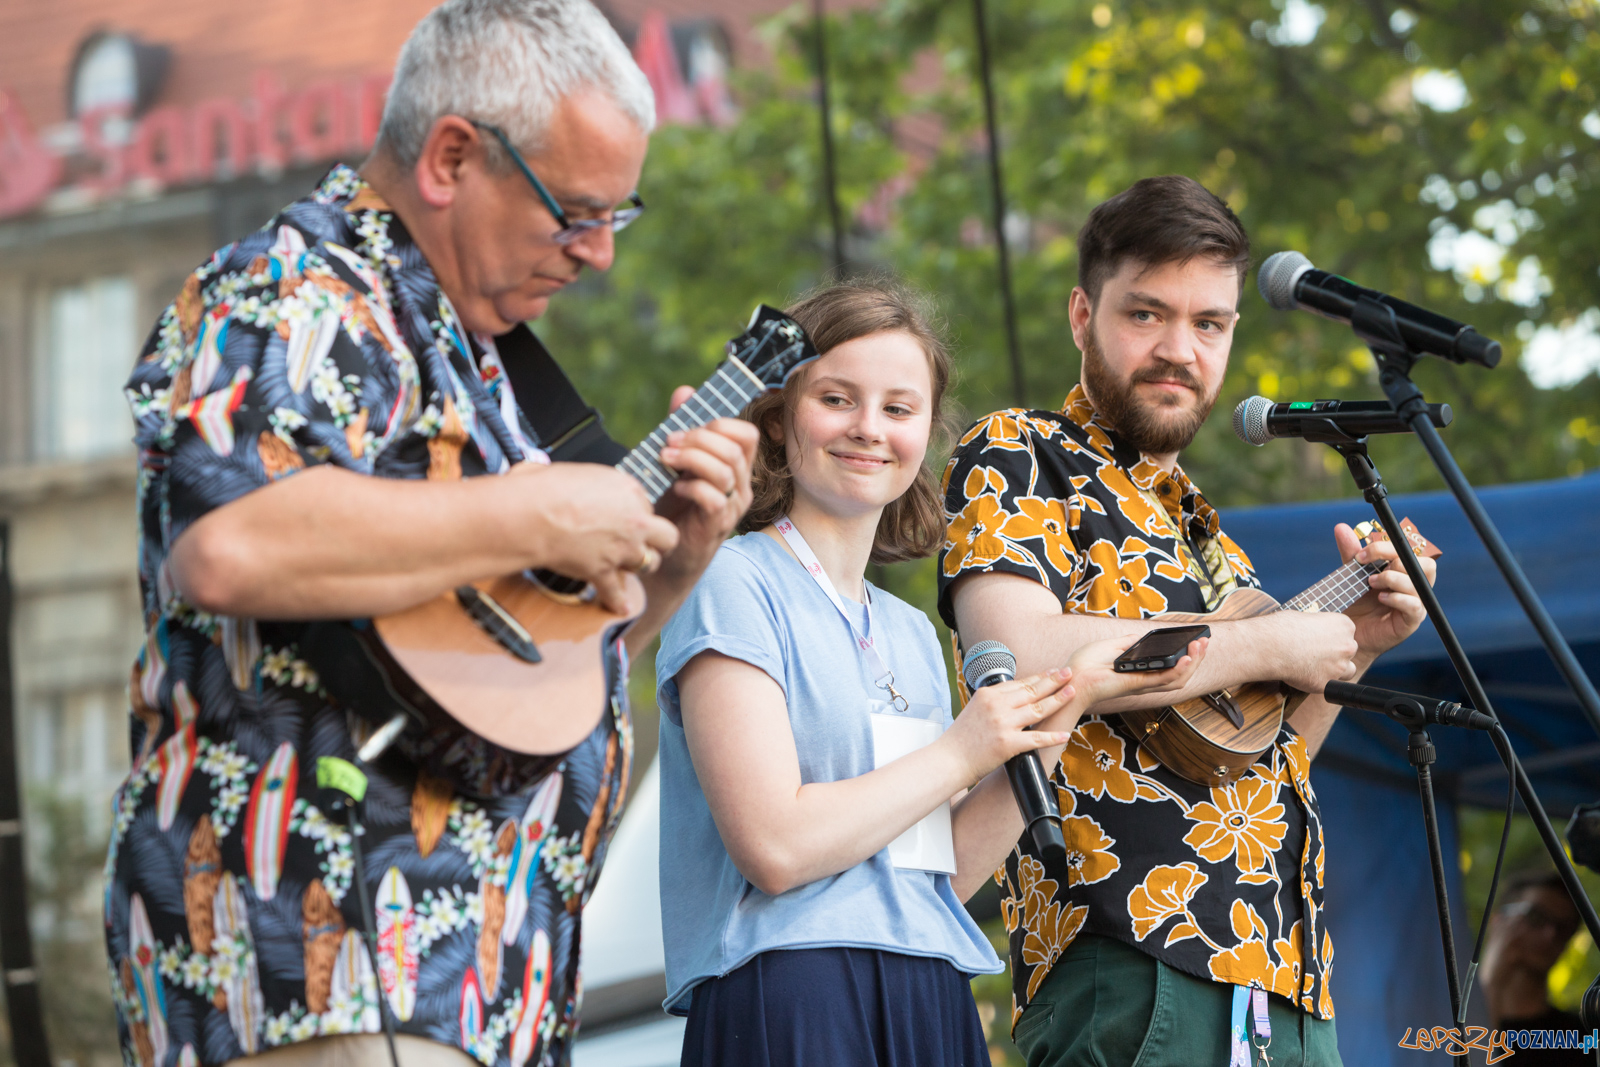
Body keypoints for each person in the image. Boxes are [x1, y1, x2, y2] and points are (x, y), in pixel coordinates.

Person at [105, 2, 758, 1065]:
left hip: (475, 986)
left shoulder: (477, 355)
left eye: (616, 216)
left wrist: (672, 566)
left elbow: (502, 678)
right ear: (452, 157)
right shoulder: (294, 289)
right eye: (574, 213)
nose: (598, 254)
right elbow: (228, 542)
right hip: (324, 963)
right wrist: (540, 510)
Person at [938, 175, 1440, 1066]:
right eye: (1147, 314)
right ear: (1082, 315)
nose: (1179, 349)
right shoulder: (1020, 452)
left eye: (1208, 323)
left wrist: (1356, 646)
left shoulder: (1215, 544)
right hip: (1129, 962)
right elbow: (1017, 653)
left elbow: (1262, 756)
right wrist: (1261, 642)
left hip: (1287, 982)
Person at [654, 280, 1207, 1067]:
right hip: (793, 988)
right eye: (837, 399)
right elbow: (774, 846)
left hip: (931, 993)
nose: (868, 427)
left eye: (898, 407)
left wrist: (1071, 700)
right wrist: (961, 750)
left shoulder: (911, 629)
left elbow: (941, 871)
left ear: (924, 431)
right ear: (779, 419)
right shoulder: (730, 580)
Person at [1480, 870, 1589, 1064]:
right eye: (1536, 917)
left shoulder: (1580, 1038)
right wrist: (1491, 982)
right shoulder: (1441, 1021)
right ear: (1498, 921)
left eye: (1563, 928)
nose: (1550, 935)